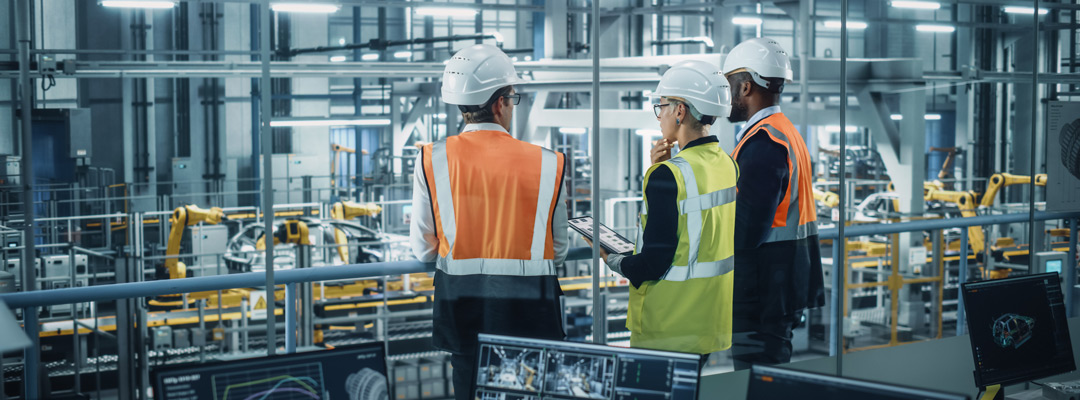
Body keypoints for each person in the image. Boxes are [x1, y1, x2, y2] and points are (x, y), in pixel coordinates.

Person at [409, 43, 568, 400]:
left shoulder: (431, 159)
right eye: (513, 99)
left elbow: (423, 250)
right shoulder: (549, 162)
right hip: (533, 314)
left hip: (463, 314)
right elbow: (558, 249)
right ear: (500, 103)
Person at [598, 60, 738, 369]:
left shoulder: (668, 175)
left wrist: (612, 259)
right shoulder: (727, 164)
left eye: (661, 106)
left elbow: (653, 263)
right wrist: (663, 168)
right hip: (709, 322)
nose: (659, 115)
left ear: (680, 111)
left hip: (668, 326)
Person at [722, 37, 825, 370]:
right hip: (782, 280)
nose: (726, 95)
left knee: (759, 380)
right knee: (771, 374)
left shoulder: (764, 142)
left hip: (762, 288)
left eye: (729, 85)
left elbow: (746, 230)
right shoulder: (784, 132)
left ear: (746, 87)